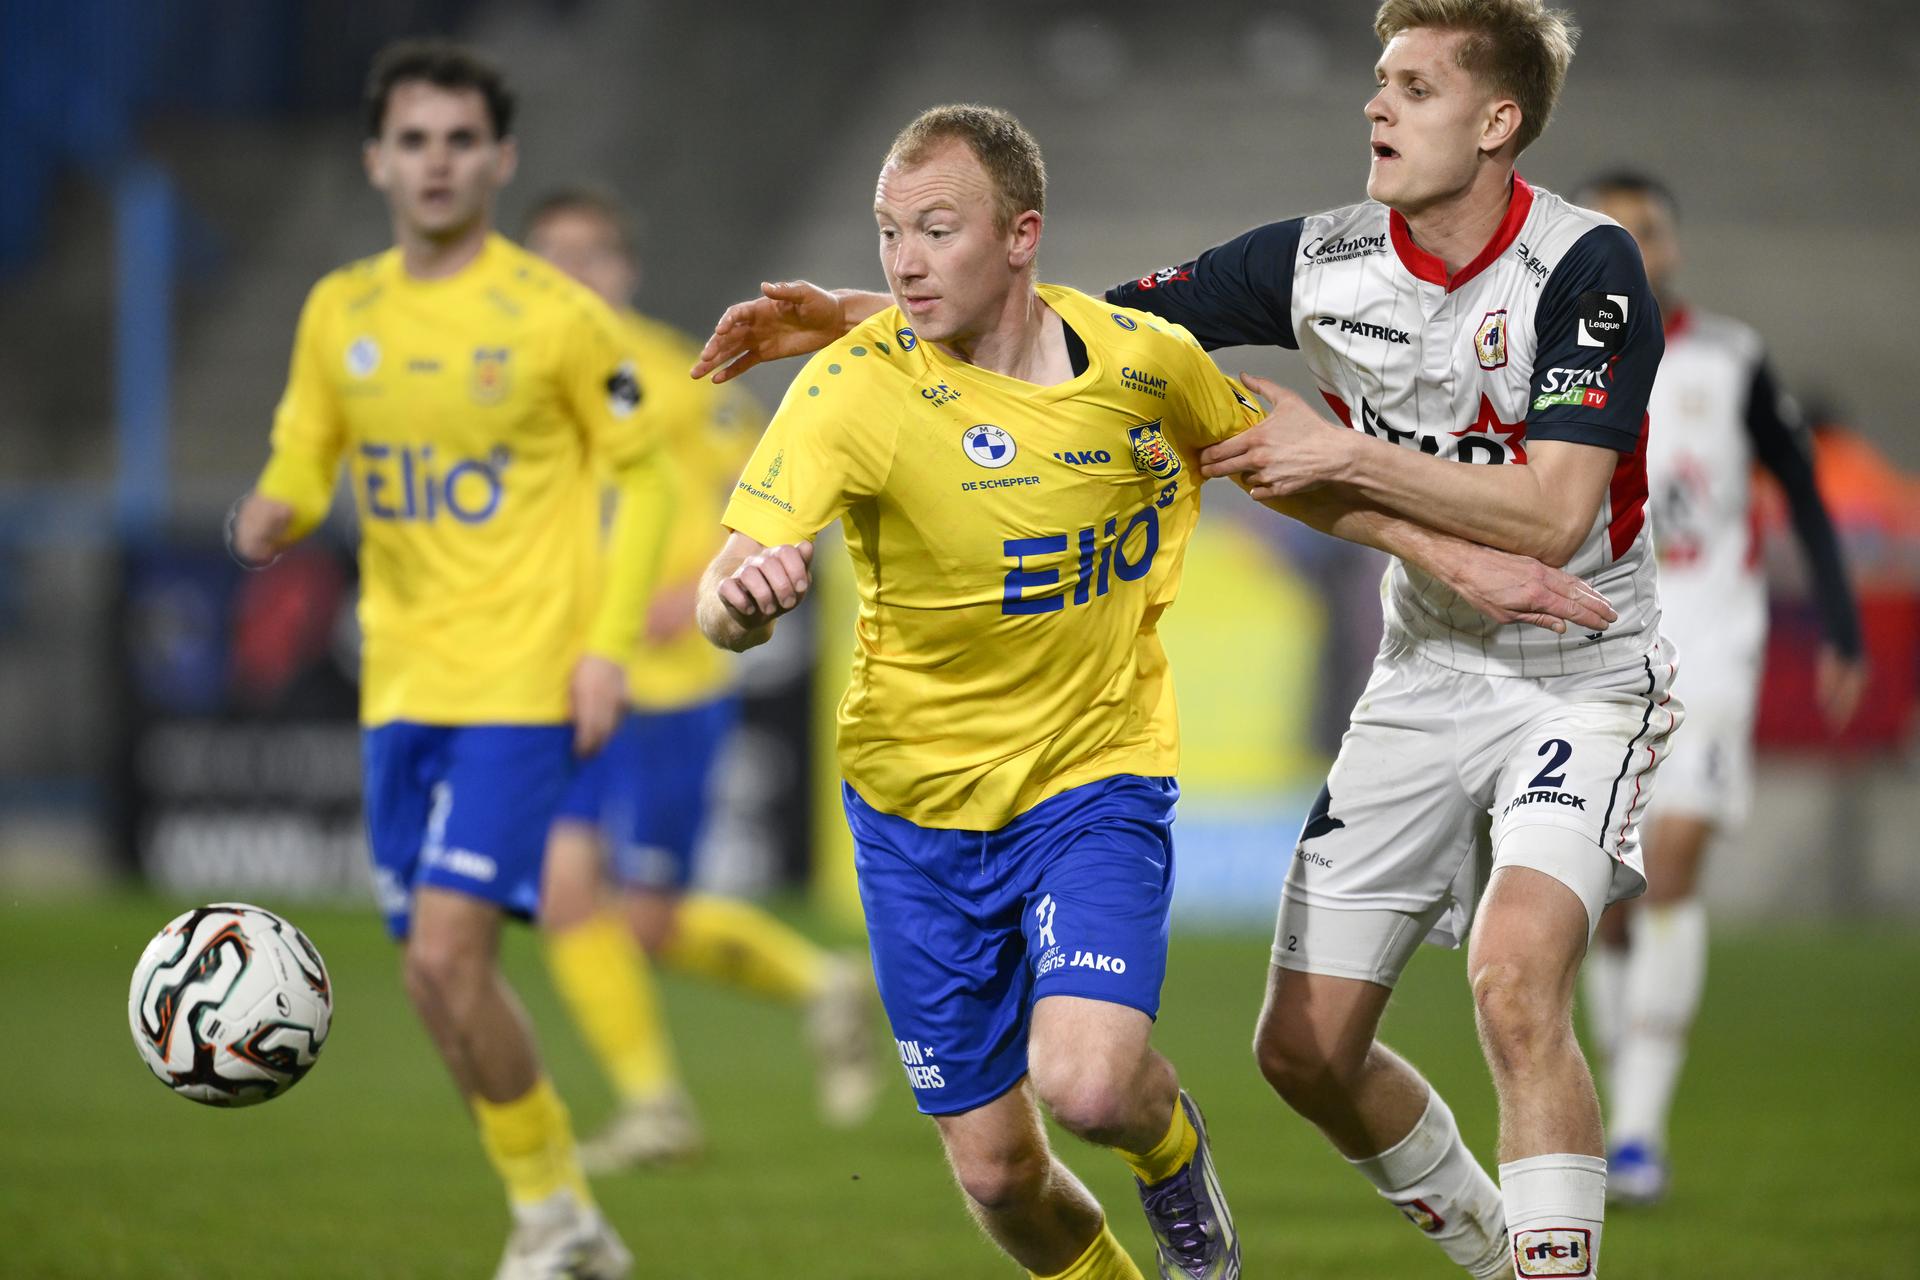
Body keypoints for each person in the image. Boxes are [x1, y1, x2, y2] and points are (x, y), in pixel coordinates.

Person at [691, 3, 1673, 1273]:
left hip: (1575, 667)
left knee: (1513, 973)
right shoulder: (1315, 259)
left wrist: (1337, 450)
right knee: (1295, 1053)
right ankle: (1490, 1246)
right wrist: (865, 312)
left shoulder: (1587, 266)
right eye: (1378, 79)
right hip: (1420, 666)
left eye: (1414, 87)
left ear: (1498, 121)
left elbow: (1549, 516)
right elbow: (1081, 335)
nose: (1375, 104)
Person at [228, 41, 672, 1280]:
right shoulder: (341, 311)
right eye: (414, 140)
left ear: (500, 158)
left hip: (522, 686)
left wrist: (605, 650)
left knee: (444, 954)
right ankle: (563, 1210)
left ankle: (554, 1221)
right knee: (436, 983)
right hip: (400, 686)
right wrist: (275, 506)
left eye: (460, 140)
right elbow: (305, 448)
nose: (437, 163)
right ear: (377, 160)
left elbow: (643, 478)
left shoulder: (555, 316)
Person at [521, 188, 881, 1170]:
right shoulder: (511, 383)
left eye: (591, 255)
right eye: (551, 255)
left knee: (647, 919)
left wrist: (700, 590)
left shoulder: (682, 375)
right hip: (569, 675)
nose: (571, 275)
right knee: (564, 889)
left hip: (668, 683)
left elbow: (772, 493)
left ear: (624, 269)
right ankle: (655, 1104)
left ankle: (817, 984)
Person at [1573, 171, 1865, 1205]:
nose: (1630, 247)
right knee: (1606, 899)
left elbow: (1803, 488)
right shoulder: (1548, 359)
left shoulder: (1729, 359)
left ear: (1672, 246)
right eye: (1606, 231)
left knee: (1674, 857)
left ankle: (1638, 1134)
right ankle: (1617, 1107)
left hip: (1709, 645)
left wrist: (1841, 625)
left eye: (1644, 231)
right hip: (1594, 655)